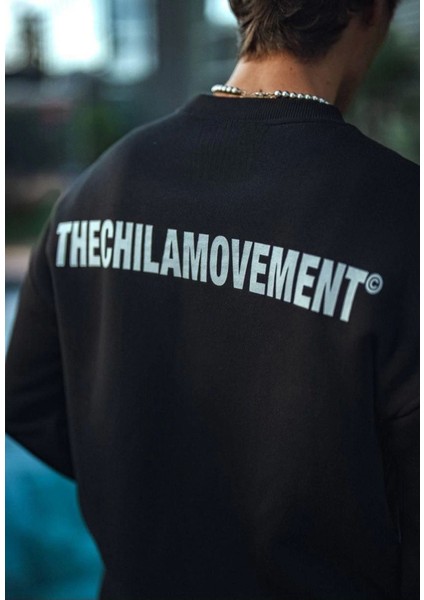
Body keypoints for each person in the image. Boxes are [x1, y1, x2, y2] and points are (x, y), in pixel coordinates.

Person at [5, 0, 419, 598]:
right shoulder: (404, 218)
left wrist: (154, 483)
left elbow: (27, 401)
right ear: (374, 11)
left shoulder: (96, 190)